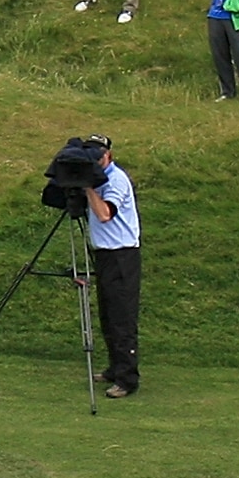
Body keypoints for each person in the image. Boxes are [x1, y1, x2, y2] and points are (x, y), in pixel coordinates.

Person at [82, 142, 141, 399]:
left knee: (121, 317)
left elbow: (105, 214)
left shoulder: (116, 181)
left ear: (109, 156)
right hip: (105, 255)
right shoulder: (98, 179)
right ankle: (114, 368)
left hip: (122, 255)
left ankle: (127, 379)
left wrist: (86, 187)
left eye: (99, 157)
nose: (95, 162)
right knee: (107, 314)